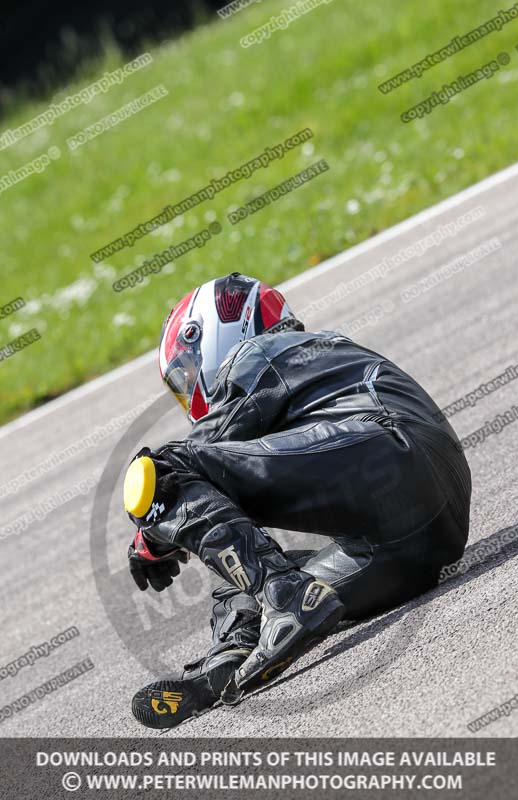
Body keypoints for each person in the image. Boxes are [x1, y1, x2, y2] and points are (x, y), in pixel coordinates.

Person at [124, 272, 471, 728]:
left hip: (388, 452)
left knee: (158, 471)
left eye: (186, 374)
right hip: (429, 539)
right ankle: (237, 644)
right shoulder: (321, 357)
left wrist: (150, 531)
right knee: (256, 554)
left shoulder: (260, 353)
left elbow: (200, 455)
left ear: (214, 335)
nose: (190, 390)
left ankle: (283, 596)